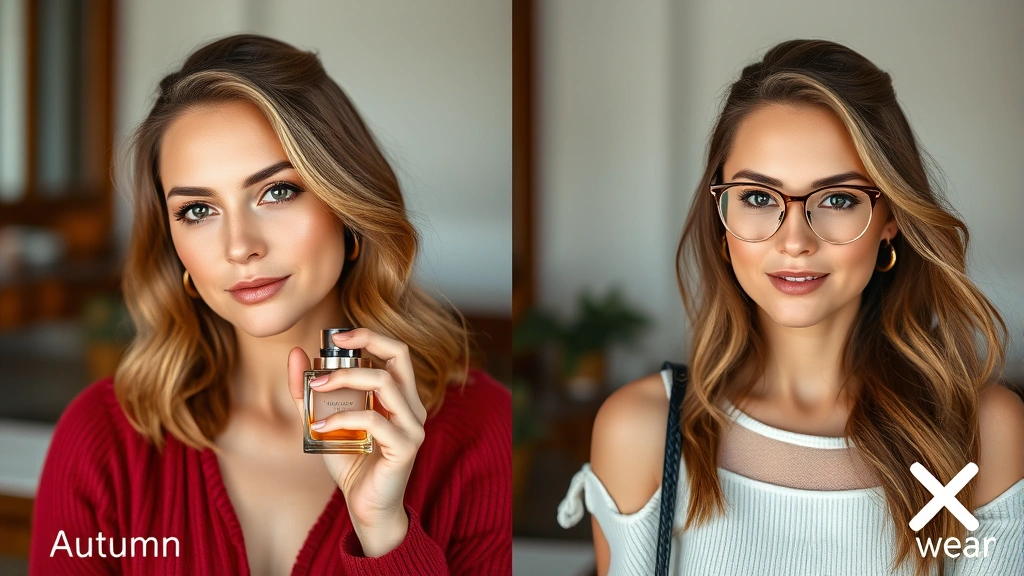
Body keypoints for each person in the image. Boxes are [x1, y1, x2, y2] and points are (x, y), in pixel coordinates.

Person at [30, 34, 511, 575]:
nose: (240, 246)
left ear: (347, 205)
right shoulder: (101, 440)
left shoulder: (479, 429)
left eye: (277, 191)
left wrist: (383, 531)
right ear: (172, 243)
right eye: (197, 210)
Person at [558, 39, 1024, 576]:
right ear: (721, 216)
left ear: (891, 218)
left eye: (838, 199)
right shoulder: (641, 429)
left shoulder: (982, 433)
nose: (795, 241)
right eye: (758, 197)